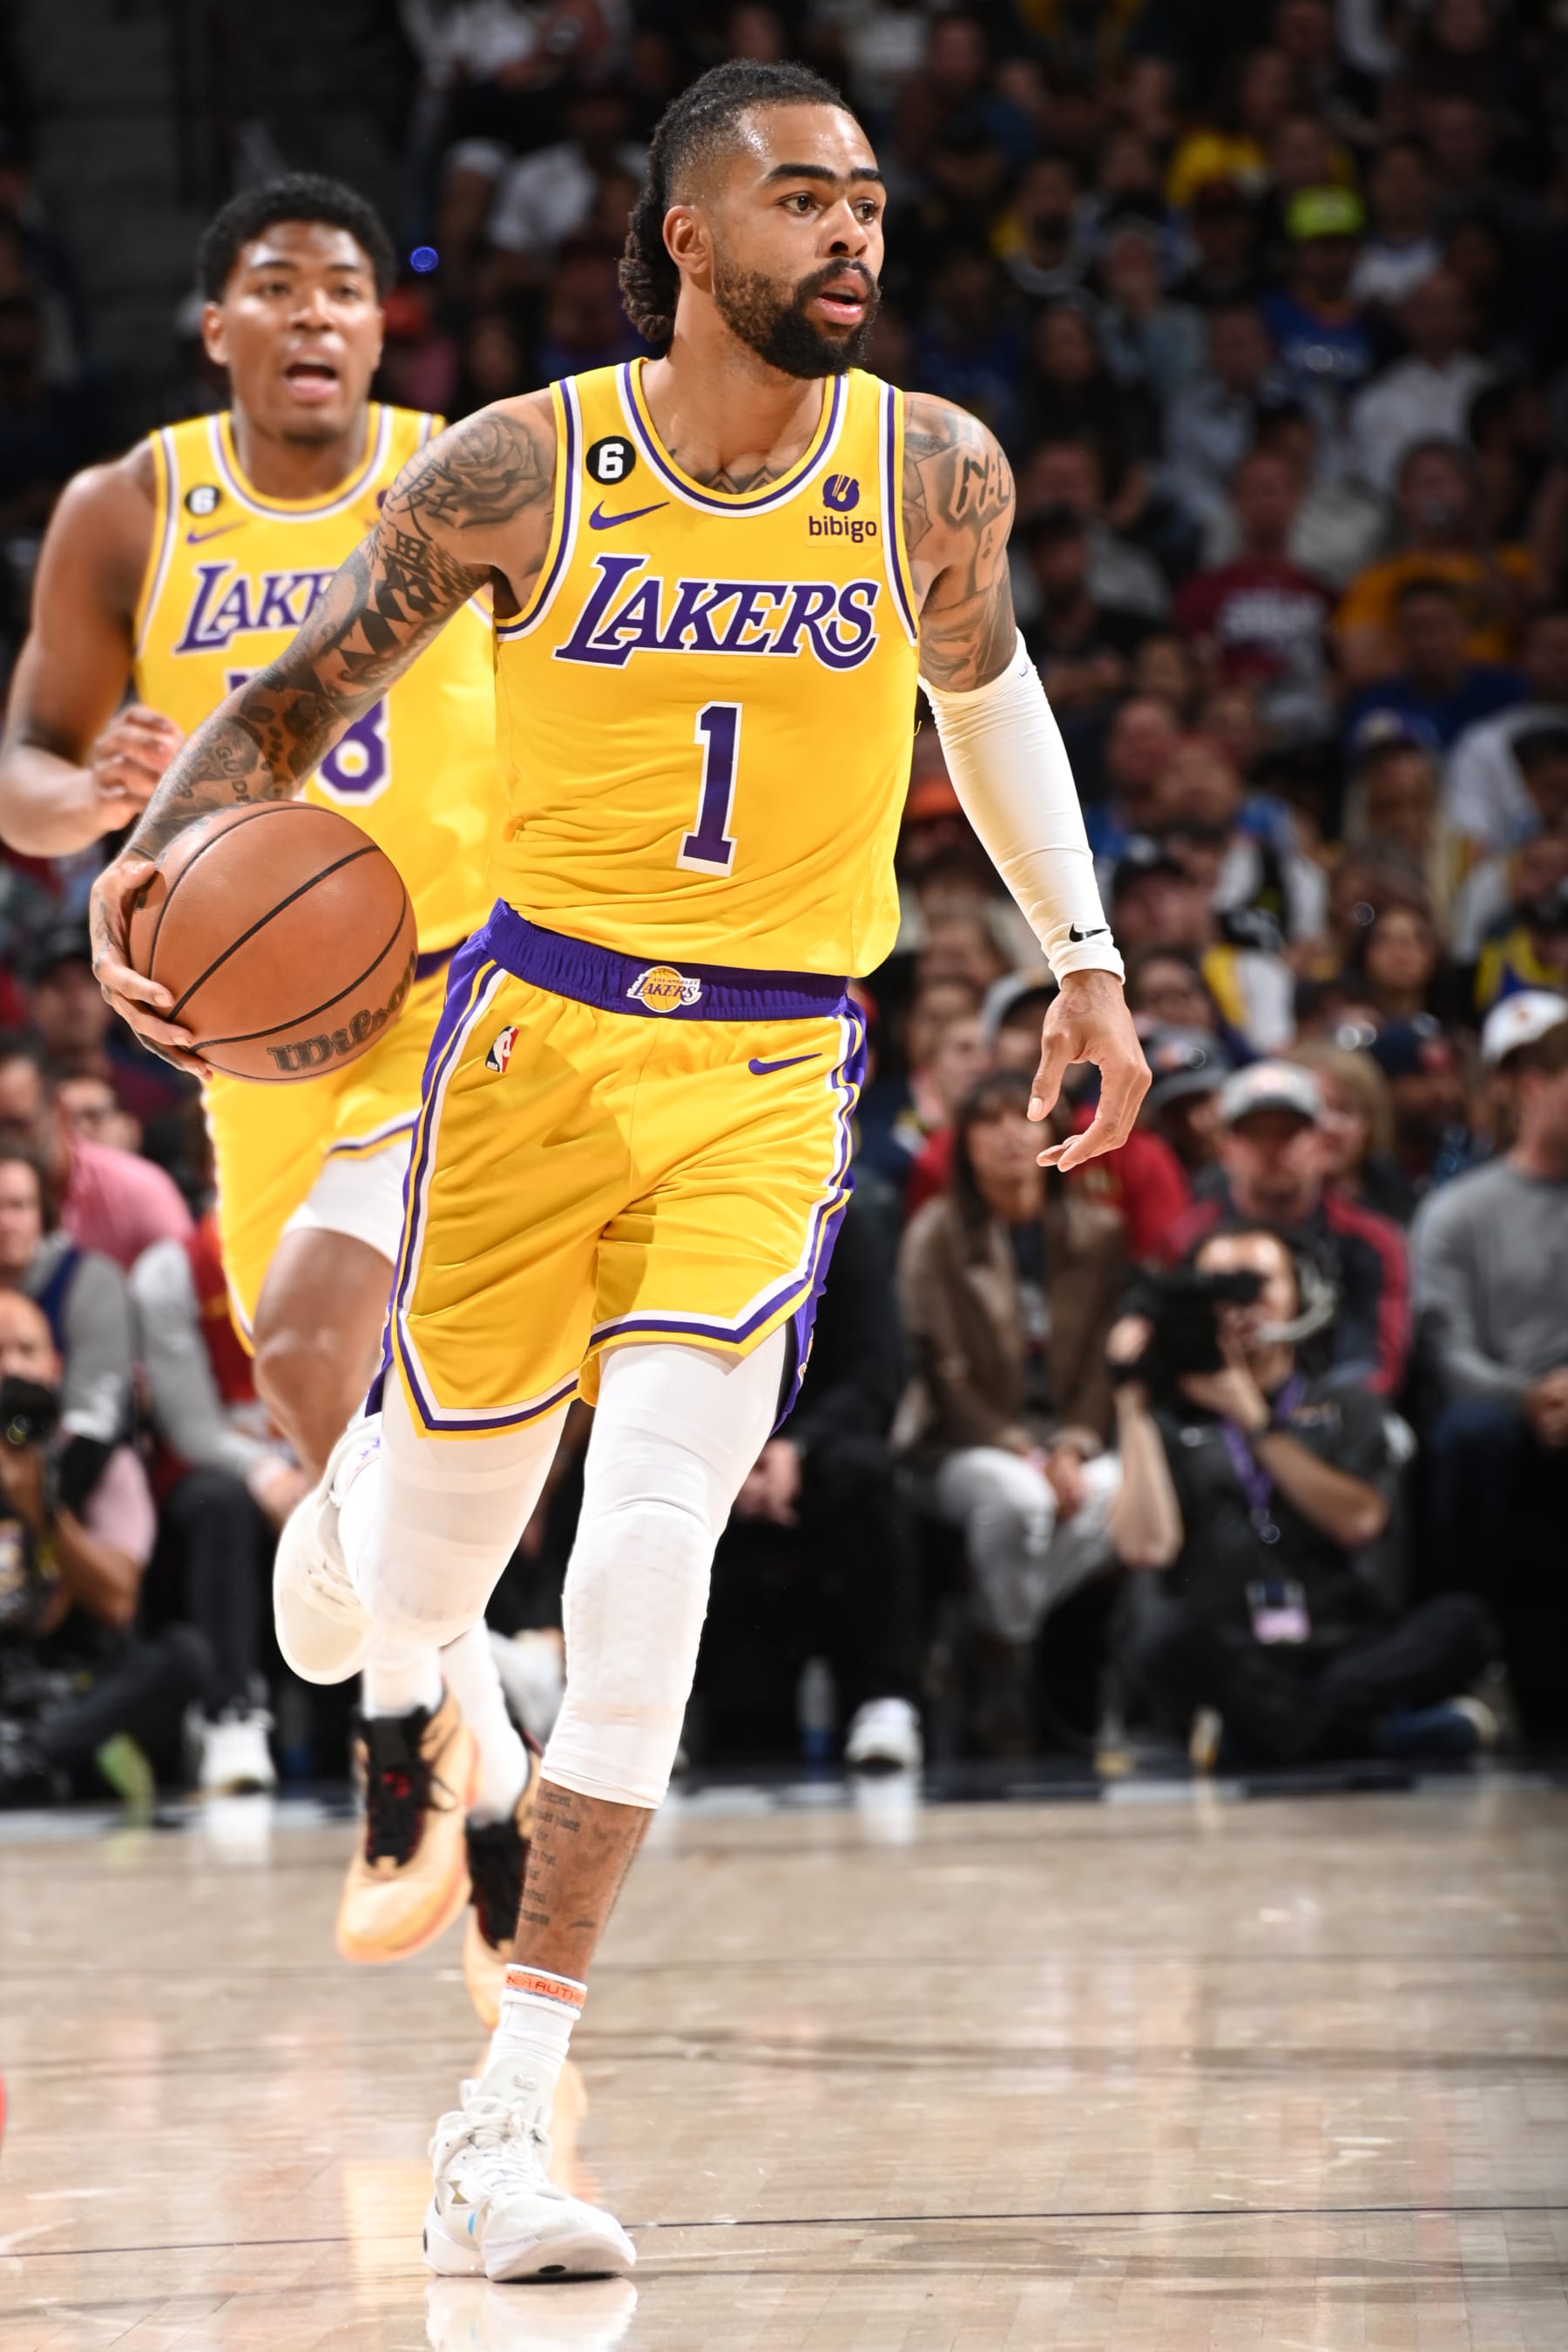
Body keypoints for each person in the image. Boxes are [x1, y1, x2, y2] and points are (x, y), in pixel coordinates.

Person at [87, 59, 1149, 2281]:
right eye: (803, 199)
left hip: (770, 1065)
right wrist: (162, 852)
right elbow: (294, 698)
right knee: (421, 1577)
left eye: (870, 201)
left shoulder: (928, 469)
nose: (852, 233)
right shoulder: (520, 466)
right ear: (688, 235)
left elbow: (991, 694)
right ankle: (358, 1522)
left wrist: (1088, 962)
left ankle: (504, 2116)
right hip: (529, 1047)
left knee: (651, 1543)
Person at [0, 178, 531, 2008]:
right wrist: (90, 802)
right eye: (276, 287)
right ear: (213, 326)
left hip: (461, 978)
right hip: (256, 1027)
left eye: (347, 290)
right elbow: (26, 765)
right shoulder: (129, 506)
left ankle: (406, 1734)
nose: (315, 314)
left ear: (382, 329)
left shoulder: (468, 474)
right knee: (321, 1395)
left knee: (338, 1339)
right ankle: (476, 1746)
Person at [1109, 1225, 1496, 1767]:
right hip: (1230, 1647)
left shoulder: (1347, 1404)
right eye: (1220, 1287)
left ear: (1301, 1294)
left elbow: (1359, 1522)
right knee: (1156, 1633)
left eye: (1257, 1284)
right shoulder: (1170, 1415)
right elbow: (1145, 1547)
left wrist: (1253, 1419)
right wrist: (1131, 1406)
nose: (1241, 1304)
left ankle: (1259, 1733)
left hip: (1341, 1642)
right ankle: (1378, 1737)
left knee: (1465, 1624)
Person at [897, 1071, 1125, 1756]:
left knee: (1124, 1498)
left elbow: (1105, 1365)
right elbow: (941, 1373)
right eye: (988, 1121)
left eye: (1025, 1116)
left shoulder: (1101, 1233)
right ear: (963, 1142)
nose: (1008, 1135)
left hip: (1073, 1441)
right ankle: (1010, 1670)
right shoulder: (935, 1235)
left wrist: (1074, 1447)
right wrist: (1026, 1450)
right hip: (964, 1444)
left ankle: (991, 1639)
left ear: (1056, 1132)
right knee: (1019, 1501)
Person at [1412, 992, 1568, 1744]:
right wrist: (1528, 1396)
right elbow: (1447, 1351)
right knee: (1469, 1433)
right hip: (1507, 1414)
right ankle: (1473, 1659)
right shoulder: (1459, 1210)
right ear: (1533, 1088)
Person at [0, 1290, 203, 1810]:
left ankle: (31, 1757)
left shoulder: (97, 1459)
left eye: (26, 1350)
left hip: (75, 1686)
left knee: (183, 1657)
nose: (12, 1368)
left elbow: (117, 1602)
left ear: (55, 1365)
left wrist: (42, 1512)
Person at [1159, 1061, 1411, 1397]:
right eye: (1254, 1134)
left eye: (1289, 1132)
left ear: (1322, 1143)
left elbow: (1374, 1363)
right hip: (1212, 1409)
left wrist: (1310, 1414)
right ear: (1225, 1148)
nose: (1273, 1149)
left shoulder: (1371, 1240)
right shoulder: (1187, 1240)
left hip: (1336, 1411)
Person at [0, 1034, 191, 1272]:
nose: (4, 1142)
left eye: (17, 1125)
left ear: (58, 1109)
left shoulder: (138, 1190)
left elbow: (185, 1284)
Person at [1348, 271, 1492, 500]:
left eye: (1447, 309)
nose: (1438, 321)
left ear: (1469, 317)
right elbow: (1375, 478)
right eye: (1426, 310)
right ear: (1407, 318)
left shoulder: (1490, 386)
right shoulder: (1379, 395)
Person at [1342, 577, 1524, 755]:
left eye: (1439, 626)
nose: (1428, 642)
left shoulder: (1507, 693)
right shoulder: (1376, 707)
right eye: (1414, 629)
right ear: (1396, 637)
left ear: (1464, 629)